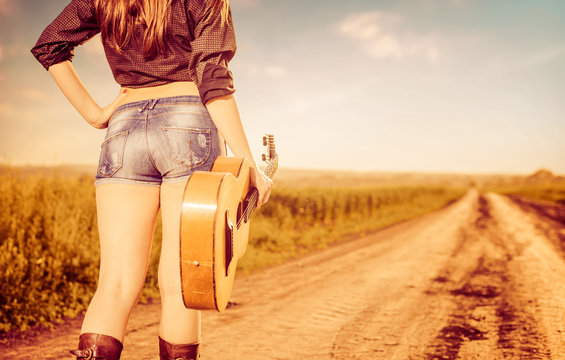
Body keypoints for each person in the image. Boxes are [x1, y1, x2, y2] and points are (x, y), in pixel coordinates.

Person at [31, 0, 272, 359]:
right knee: (181, 280)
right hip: (188, 122)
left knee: (114, 283)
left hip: (123, 128)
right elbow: (212, 78)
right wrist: (248, 162)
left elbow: (49, 44)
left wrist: (95, 114)